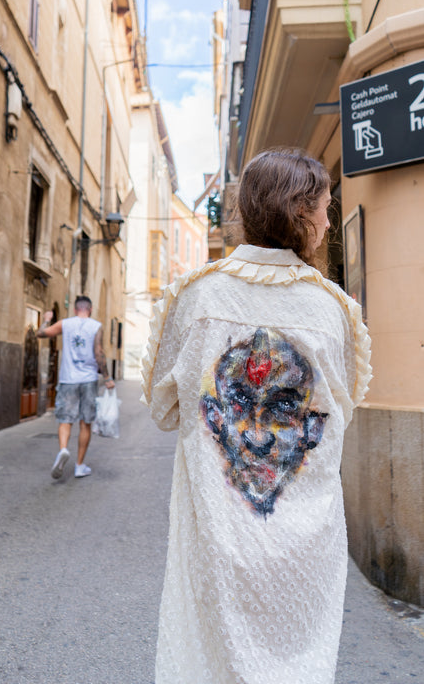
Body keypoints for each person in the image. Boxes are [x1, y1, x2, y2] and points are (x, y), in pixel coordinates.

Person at [142, 148, 372, 684]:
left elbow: (161, 406)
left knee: (210, 661)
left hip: (215, 533)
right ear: (300, 212)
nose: (329, 220)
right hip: (305, 541)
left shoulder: (195, 296)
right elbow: (344, 410)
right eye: (325, 207)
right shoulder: (333, 310)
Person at [37, 295, 115, 479]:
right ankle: (79, 466)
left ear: (75, 309)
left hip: (68, 379)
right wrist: (107, 377)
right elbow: (98, 353)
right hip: (88, 379)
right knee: (85, 422)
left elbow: (41, 334)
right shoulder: (95, 326)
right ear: (90, 309)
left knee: (65, 419)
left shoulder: (65, 323)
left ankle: (63, 449)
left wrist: (46, 320)